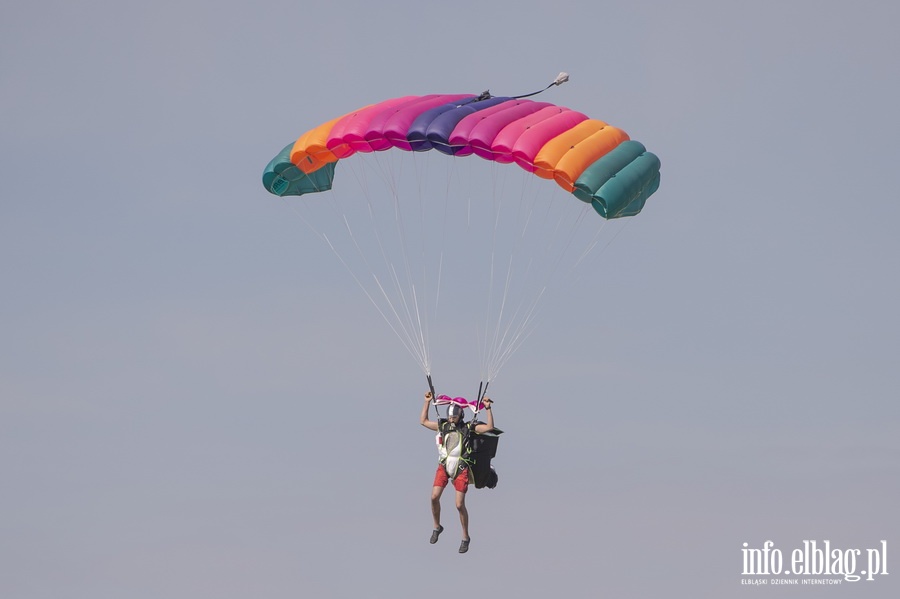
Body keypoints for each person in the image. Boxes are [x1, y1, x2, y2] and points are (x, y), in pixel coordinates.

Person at [420, 390, 494, 553]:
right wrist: (427, 402)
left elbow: (490, 428)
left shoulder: (468, 427)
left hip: (461, 468)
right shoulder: (444, 425)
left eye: (454, 417)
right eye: (450, 416)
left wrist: (488, 408)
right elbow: (423, 421)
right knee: (433, 497)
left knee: (459, 505)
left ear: (460, 416)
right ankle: (437, 526)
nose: (451, 419)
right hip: (444, 466)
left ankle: (465, 537)